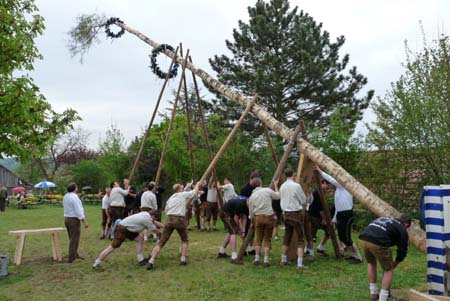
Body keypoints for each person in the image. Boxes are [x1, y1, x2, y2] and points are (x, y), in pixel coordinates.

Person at [146, 181, 200, 270]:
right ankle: (183, 259)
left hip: (169, 219)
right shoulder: (182, 195)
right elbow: (194, 192)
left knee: (161, 242)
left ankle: (151, 261)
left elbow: (166, 210)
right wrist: (197, 185)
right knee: (184, 239)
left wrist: (188, 186)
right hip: (179, 220)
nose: (183, 189)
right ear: (179, 189)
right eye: (182, 188)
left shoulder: (171, 198)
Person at [314, 166, 363, 264]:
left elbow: (331, 179)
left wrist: (320, 172)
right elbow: (338, 206)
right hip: (341, 214)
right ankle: (353, 255)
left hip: (346, 215)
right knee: (342, 237)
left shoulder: (344, 186)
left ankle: (358, 257)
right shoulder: (339, 190)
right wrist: (335, 218)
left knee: (345, 237)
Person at [359, 215, 411, 301]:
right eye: (407, 228)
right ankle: (383, 298)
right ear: (406, 224)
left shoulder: (387, 219)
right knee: (388, 269)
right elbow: (403, 249)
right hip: (378, 241)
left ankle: (373, 293)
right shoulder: (401, 228)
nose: (406, 230)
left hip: (364, 238)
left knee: (371, 263)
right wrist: (396, 262)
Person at [92, 211, 164, 270]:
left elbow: (154, 222)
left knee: (140, 239)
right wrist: (163, 235)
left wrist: (166, 227)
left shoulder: (145, 214)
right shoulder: (147, 219)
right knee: (112, 247)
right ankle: (96, 263)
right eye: (154, 218)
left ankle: (140, 260)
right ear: (153, 216)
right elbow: (156, 230)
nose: (154, 220)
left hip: (128, 228)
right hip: (122, 229)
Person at [279, 168, 312, 270]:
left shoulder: (282, 186)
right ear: (293, 175)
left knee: (287, 237)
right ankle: (299, 264)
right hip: (295, 215)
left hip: (285, 214)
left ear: (285, 175)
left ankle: (283, 260)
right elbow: (303, 200)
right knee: (301, 239)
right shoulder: (296, 186)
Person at [248, 177, 280, 267]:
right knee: (267, 239)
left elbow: (251, 211)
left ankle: (257, 259)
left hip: (258, 217)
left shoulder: (252, 196)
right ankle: (266, 260)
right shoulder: (267, 190)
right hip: (268, 217)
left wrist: (252, 221)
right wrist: (275, 185)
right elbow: (278, 196)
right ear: (261, 183)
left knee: (258, 238)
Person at [217, 197, 249, 264]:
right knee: (234, 232)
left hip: (230, 214)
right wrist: (239, 229)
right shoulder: (241, 204)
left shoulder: (247, 207)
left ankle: (221, 252)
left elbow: (244, 218)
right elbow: (236, 218)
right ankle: (234, 257)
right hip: (225, 213)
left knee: (231, 232)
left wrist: (243, 231)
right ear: (248, 201)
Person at [63, 182, 89, 263]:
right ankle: (71, 257)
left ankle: (75, 254)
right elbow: (79, 210)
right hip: (73, 220)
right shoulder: (74, 197)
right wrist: (84, 221)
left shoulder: (66, 196)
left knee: (72, 238)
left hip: (67, 218)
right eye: (77, 187)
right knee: (74, 239)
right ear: (75, 188)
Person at [309, 179, 331, 256]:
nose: (329, 187)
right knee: (311, 235)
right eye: (328, 185)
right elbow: (320, 209)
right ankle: (308, 251)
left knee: (329, 231)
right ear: (324, 183)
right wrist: (324, 219)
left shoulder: (321, 192)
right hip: (315, 216)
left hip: (319, 216)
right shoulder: (317, 192)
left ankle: (320, 248)